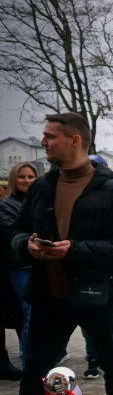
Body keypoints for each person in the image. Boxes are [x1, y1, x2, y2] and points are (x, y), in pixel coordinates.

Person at [1, 112, 113, 395]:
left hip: (100, 295)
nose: (43, 141)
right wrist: (27, 246)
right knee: (36, 367)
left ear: (75, 140)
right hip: (49, 292)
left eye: (51, 136)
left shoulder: (112, 190)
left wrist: (76, 249)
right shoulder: (41, 187)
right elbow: (15, 233)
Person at [0, 162, 38, 378]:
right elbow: (12, 232)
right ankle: (29, 364)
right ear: (13, 180)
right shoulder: (6, 205)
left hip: (40, 265)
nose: (26, 180)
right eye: (21, 177)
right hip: (20, 267)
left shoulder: (39, 201)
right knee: (29, 315)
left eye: (30, 176)